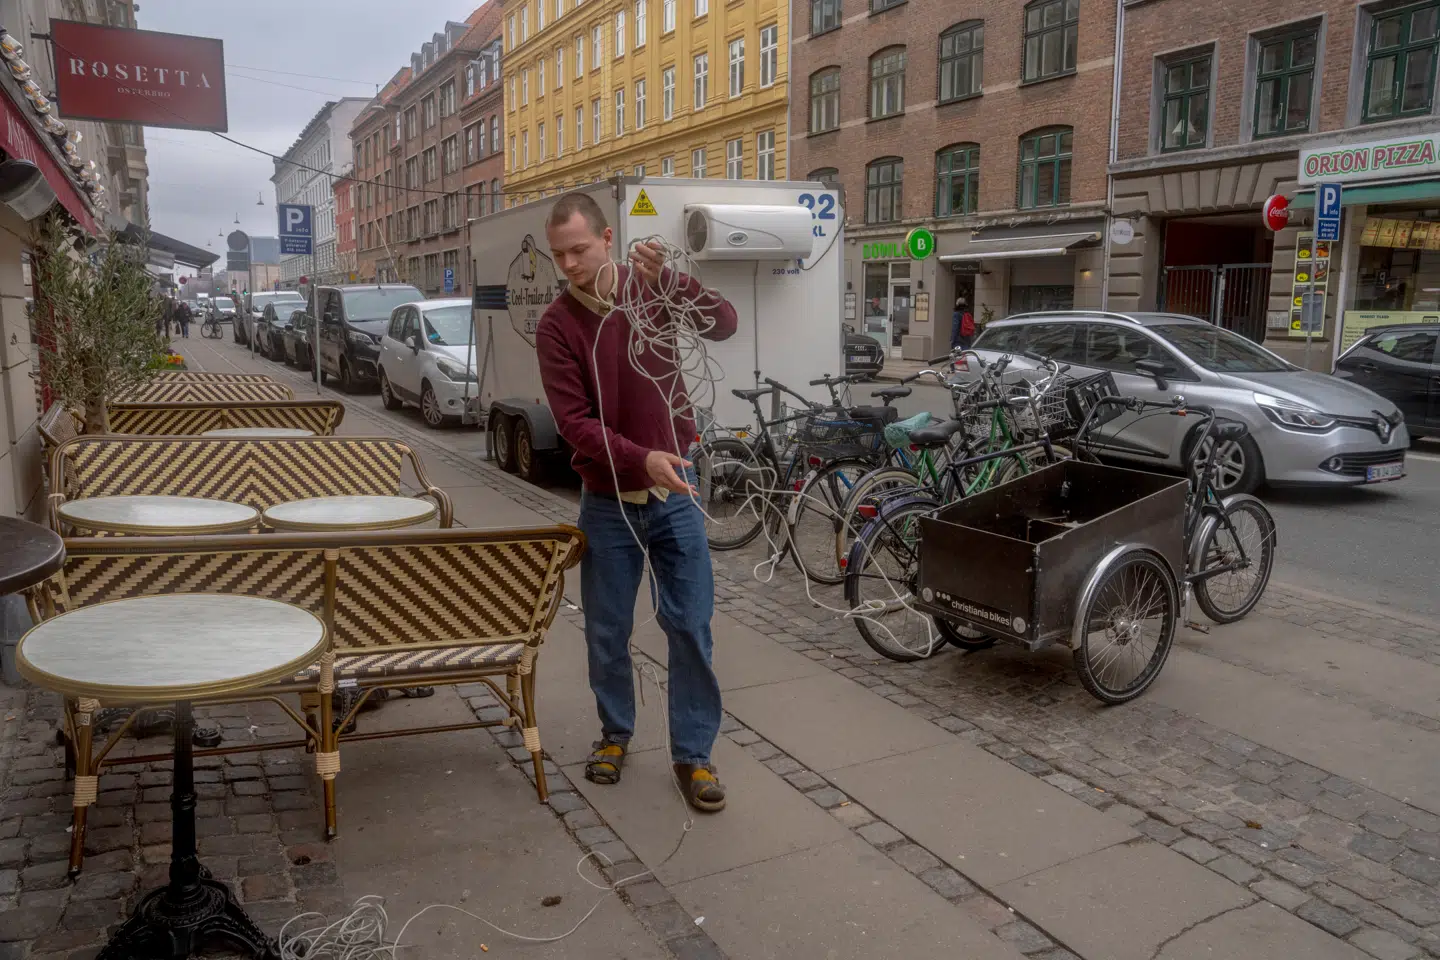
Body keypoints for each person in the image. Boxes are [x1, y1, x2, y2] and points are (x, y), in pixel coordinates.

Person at [535, 192, 738, 813]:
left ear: (606, 240)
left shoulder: (650, 289)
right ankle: (616, 733)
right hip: (608, 501)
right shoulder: (557, 325)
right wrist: (638, 458)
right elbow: (573, 423)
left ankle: (694, 754)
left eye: (579, 249)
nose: (569, 264)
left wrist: (671, 279)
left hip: (675, 495)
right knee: (606, 631)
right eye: (559, 254)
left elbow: (724, 322)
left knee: (690, 626)